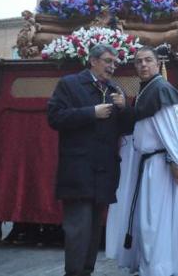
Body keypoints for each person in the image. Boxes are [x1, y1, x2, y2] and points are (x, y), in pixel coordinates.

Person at [106, 46, 178, 276]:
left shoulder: (161, 89)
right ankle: (150, 265)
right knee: (147, 221)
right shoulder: (146, 90)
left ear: (158, 63)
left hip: (161, 168)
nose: (143, 65)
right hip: (148, 166)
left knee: (155, 222)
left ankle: (160, 268)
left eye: (148, 60)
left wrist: (173, 160)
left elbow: (173, 134)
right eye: (138, 61)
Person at [47, 44, 134, 276]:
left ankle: (86, 271)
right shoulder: (70, 84)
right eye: (108, 61)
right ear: (93, 61)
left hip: (105, 170)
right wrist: (91, 113)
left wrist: (124, 108)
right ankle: (73, 272)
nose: (112, 66)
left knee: (95, 228)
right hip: (78, 169)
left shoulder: (116, 89)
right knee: (78, 228)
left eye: (115, 63)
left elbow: (126, 129)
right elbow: (54, 117)